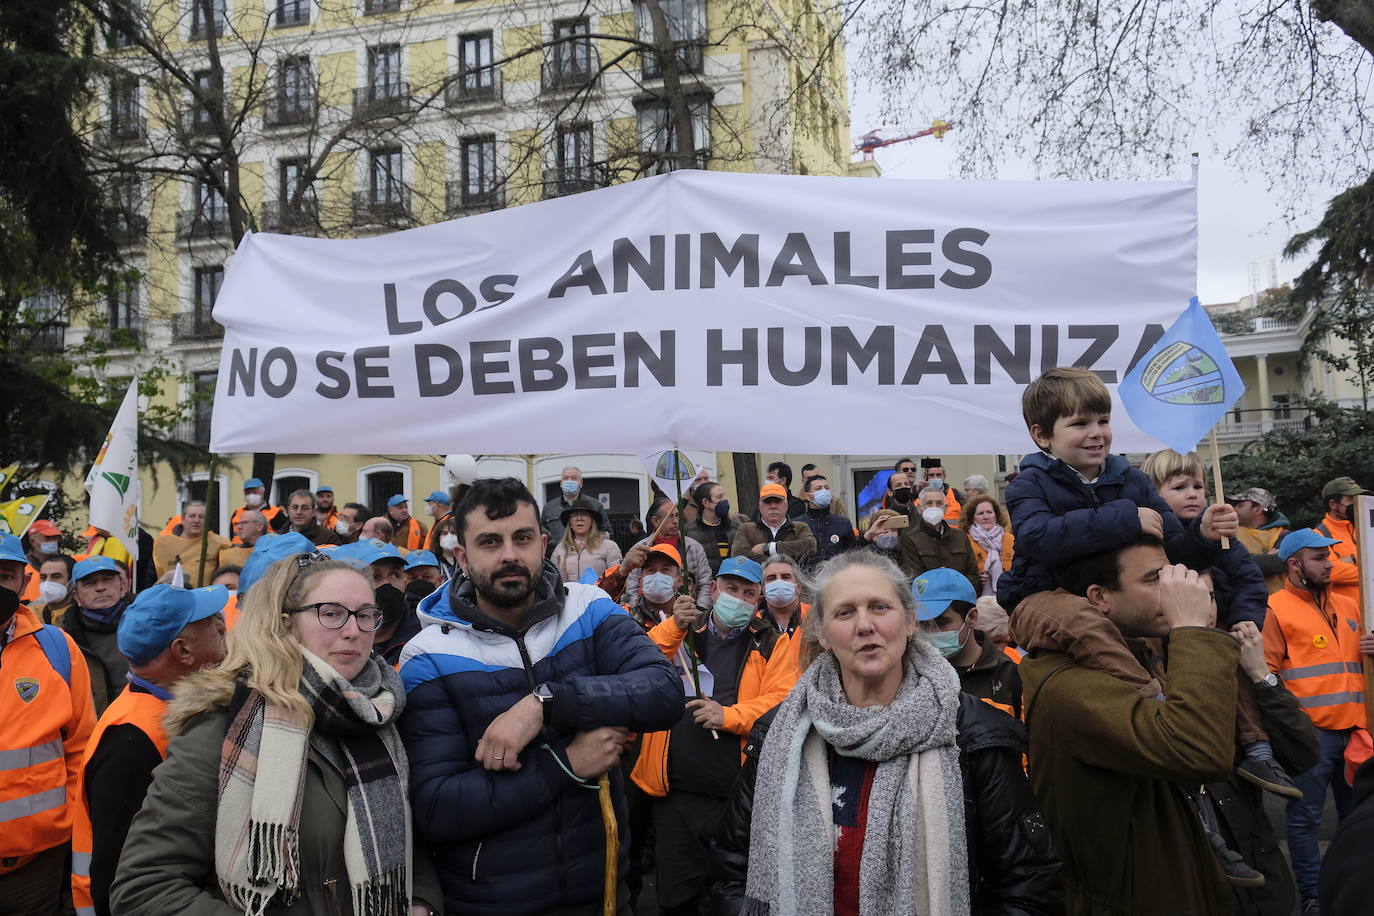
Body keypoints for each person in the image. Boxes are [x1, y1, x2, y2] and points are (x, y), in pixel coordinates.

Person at [711, 550, 1062, 915]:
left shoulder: (972, 734)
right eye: (845, 612)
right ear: (823, 633)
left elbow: (1028, 885)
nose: (865, 625)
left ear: (910, 620)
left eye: (879, 607)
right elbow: (731, 870)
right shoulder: (780, 733)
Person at [397, 477, 683, 915]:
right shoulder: (429, 654)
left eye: (522, 538)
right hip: (491, 903)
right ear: (461, 556)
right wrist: (566, 765)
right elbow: (438, 806)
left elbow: (662, 690)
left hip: (605, 895)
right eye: (490, 542)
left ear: (544, 543)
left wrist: (545, 703)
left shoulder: (588, 609)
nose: (510, 554)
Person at [111, 552, 442, 916]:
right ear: (285, 625)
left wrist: (421, 902)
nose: (353, 630)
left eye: (365, 615)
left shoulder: (381, 712)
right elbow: (144, 888)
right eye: (331, 613)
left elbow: (407, 838)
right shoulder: (223, 729)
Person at [1014, 535, 1250, 912]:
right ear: (1100, 597)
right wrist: (1192, 629)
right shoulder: (1070, 686)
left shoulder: (1136, 655)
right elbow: (1199, 750)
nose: (1175, 587)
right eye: (1155, 578)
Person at [633, 556, 800, 916]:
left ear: (758, 601)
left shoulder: (771, 643)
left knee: (732, 897)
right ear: (713, 590)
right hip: (676, 794)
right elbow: (640, 661)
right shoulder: (683, 631)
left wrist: (728, 716)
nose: (737, 598)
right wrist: (674, 625)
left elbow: (781, 701)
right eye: (730, 589)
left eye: (747, 592)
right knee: (676, 899)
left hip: (737, 799)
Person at [997, 366, 1232, 613]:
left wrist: (1204, 536)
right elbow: (1039, 538)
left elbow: (1174, 552)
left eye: (1103, 421)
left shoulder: (1135, 481)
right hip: (1049, 603)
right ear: (1042, 435)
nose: (1097, 432)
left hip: (1123, 607)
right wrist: (1127, 519)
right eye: (1080, 423)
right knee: (1086, 626)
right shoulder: (1028, 484)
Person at [1142, 448, 1297, 799]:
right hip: (1168, 636)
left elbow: (1249, 581)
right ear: (1154, 494)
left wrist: (1245, 619)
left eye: (1199, 485)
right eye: (1180, 487)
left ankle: (1257, 748)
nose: (1194, 493)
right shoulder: (1151, 537)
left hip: (1221, 627)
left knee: (1237, 671)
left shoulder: (1226, 537)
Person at [71, 583, 228, 916]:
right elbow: (121, 875)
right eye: (210, 620)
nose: (222, 624)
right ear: (183, 650)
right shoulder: (133, 740)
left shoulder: (156, 715)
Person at [1262, 528, 1374, 912]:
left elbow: (1360, 666)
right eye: (1319, 558)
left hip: (1357, 729)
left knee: (1357, 817)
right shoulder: (1275, 607)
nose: (1331, 564)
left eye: (1330, 556)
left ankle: (1350, 889)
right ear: (1294, 565)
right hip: (1312, 734)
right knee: (1306, 818)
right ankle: (1312, 896)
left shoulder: (1351, 605)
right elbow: (1266, 673)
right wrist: (1291, 727)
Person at [0, 534, 97, 916]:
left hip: (36, 867)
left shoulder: (57, 649)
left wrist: (69, 827)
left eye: (5, 576)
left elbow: (80, 747)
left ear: (24, 584)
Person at [914, 567, 1023, 718]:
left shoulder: (1010, 675)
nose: (930, 634)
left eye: (941, 623)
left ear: (971, 618)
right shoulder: (908, 671)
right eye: (923, 624)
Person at [64, 556, 135, 713]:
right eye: (90, 583)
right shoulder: (65, 639)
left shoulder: (148, 623)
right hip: (98, 727)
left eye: (107, 580)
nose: (100, 587)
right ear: (76, 596)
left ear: (122, 586)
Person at [616, 496, 714, 607]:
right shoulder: (641, 549)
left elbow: (705, 583)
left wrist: (698, 612)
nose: (676, 521)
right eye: (670, 517)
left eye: (677, 515)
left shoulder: (693, 547)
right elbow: (632, 587)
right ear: (655, 521)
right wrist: (640, 614)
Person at [899, 485, 981, 590]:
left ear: (945, 508)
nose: (934, 507)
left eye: (939, 503)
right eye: (929, 503)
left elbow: (973, 575)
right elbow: (915, 579)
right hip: (930, 602)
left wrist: (957, 591)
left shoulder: (961, 537)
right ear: (920, 508)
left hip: (961, 600)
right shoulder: (911, 539)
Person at [1315, 475, 1368, 606]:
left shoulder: (1364, 528)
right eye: (1351, 499)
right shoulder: (1319, 534)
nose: (1357, 503)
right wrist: (1364, 562)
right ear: (1333, 504)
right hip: (1348, 615)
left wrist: (1351, 560)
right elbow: (1333, 572)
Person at [731, 483, 817, 563]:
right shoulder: (746, 529)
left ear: (786, 505)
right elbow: (738, 555)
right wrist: (782, 561)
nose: (773, 506)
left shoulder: (800, 527)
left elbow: (810, 546)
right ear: (760, 506)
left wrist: (770, 548)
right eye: (767, 502)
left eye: (778, 501)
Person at [153, 501, 228, 585]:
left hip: (204, 595)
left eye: (201, 517)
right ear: (183, 519)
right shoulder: (162, 543)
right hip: (170, 595)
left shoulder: (219, 543)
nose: (196, 520)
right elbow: (152, 575)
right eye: (192, 516)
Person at [551, 495, 623, 582]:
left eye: (584, 515)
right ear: (570, 523)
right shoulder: (560, 550)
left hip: (599, 595)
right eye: (574, 515)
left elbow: (617, 580)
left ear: (592, 521)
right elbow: (554, 582)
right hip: (569, 595)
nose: (579, 518)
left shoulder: (609, 547)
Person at [1230, 487, 1289, 592]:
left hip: (1275, 602)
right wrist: (1266, 558)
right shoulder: (1230, 531)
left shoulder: (1282, 535)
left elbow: (1277, 563)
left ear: (1258, 509)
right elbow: (1231, 562)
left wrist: (1243, 560)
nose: (1234, 510)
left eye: (1240, 505)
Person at [540, 466, 609, 548]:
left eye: (573, 478)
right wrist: (553, 547)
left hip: (589, 555)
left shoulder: (595, 505)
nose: (569, 481)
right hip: (557, 557)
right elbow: (541, 533)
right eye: (566, 478)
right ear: (561, 483)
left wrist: (591, 545)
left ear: (581, 483)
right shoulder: (549, 508)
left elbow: (607, 532)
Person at [798, 473, 857, 566]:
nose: (824, 491)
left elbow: (853, 554)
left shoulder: (843, 523)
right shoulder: (798, 524)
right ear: (808, 496)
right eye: (818, 488)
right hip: (807, 577)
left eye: (826, 488)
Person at [962, 494, 1015, 598]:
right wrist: (976, 578)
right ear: (972, 518)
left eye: (989, 512)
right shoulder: (965, 541)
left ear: (996, 515)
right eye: (980, 513)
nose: (986, 517)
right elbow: (961, 574)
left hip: (1010, 595)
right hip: (977, 598)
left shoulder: (1010, 539)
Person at [681, 481, 738, 576]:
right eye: (719, 497)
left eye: (724, 495)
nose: (725, 500)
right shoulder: (688, 532)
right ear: (706, 502)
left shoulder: (736, 528)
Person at [758, 553, 807, 636]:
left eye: (785, 577)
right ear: (763, 589)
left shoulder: (814, 617)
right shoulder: (754, 622)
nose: (779, 582)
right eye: (771, 578)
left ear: (798, 587)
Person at [32, 553, 76, 625]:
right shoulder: (32, 613)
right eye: (43, 577)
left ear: (71, 583)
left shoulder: (83, 618)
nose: (47, 582)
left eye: (56, 576)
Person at [922, 458, 963, 522]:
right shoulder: (919, 496)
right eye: (931, 475)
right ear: (925, 477)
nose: (935, 478)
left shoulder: (956, 494)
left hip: (953, 531)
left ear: (944, 476)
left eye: (938, 475)